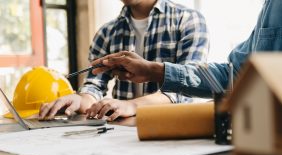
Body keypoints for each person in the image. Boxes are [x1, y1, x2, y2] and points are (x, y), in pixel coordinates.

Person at [39, 0, 210, 121]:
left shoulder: (188, 21)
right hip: (120, 135)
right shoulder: (106, 33)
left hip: (171, 131)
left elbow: (186, 87)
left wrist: (132, 106)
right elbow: (93, 87)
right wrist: (79, 99)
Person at [90, 0, 282, 99]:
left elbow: (180, 98)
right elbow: (236, 75)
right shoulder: (271, 6)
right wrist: (154, 71)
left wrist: (132, 106)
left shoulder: (187, 19)